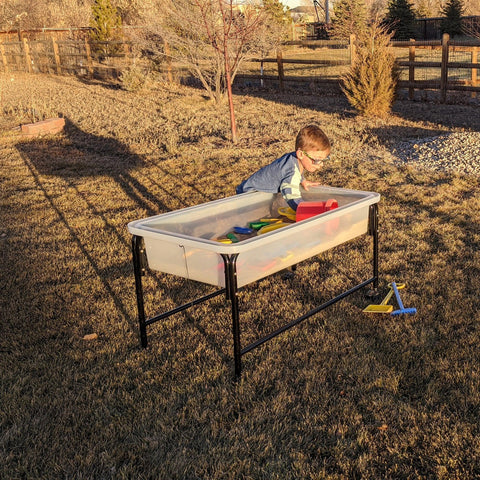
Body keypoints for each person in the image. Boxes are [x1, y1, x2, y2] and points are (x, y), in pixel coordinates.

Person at [236, 124, 331, 211]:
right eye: (317, 160)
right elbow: (292, 196)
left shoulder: (293, 158)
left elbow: (297, 170)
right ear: (301, 154)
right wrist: (304, 210)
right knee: (257, 216)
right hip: (250, 194)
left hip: (251, 189)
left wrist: (302, 180)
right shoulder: (291, 171)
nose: (321, 164)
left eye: (324, 160)